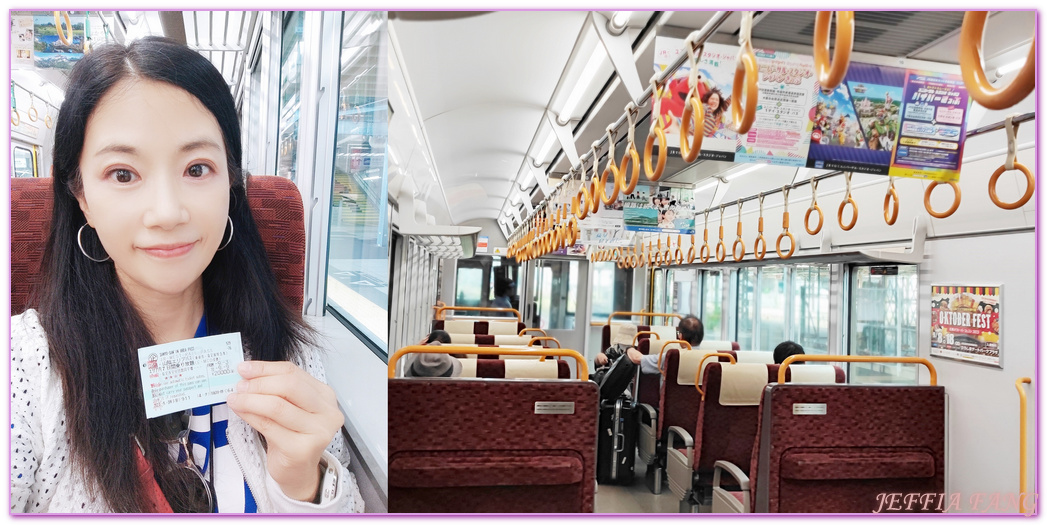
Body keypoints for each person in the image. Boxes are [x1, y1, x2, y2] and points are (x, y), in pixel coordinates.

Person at [10, 37, 362, 513]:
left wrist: (303, 484)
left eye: (197, 168)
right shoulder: (25, 367)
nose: (167, 212)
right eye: (122, 174)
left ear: (231, 185)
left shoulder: (290, 354)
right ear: (81, 196)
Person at [595, 315, 704, 375]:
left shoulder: (672, 357)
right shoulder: (710, 357)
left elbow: (638, 359)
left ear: (680, 336)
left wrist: (627, 348)